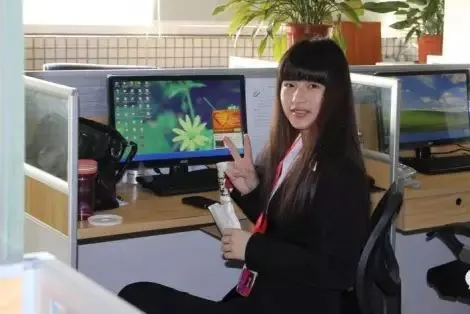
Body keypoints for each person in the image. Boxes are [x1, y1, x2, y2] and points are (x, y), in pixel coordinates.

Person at [118, 38, 372, 314]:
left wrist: (252, 248)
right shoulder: (301, 147)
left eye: (313, 86)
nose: (297, 98)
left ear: (335, 93)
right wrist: (251, 190)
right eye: (289, 85)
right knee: (136, 294)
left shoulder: (340, 172)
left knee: (134, 297)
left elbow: (338, 271)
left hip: (288, 306)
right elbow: (293, 229)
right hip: (271, 297)